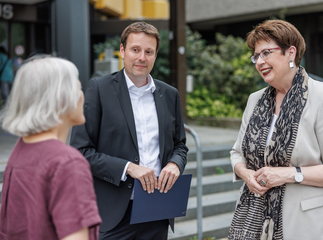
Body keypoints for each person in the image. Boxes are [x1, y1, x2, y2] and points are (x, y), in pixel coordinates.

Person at [228, 20, 323, 240]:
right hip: (255, 223)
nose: (260, 61)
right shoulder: (255, 100)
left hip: (308, 227)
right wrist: (246, 174)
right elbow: (237, 153)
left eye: (266, 53)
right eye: (256, 56)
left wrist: (288, 174)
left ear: (291, 53)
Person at [70, 21, 188, 239]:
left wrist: (174, 163)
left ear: (155, 55)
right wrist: (129, 168)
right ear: (123, 51)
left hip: (157, 208)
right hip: (113, 214)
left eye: (149, 51)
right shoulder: (99, 89)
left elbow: (180, 145)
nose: (142, 57)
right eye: (135, 50)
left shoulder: (170, 94)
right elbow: (80, 151)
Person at [0, 55, 102, 240]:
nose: (82, 95)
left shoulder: (21, 148)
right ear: (62, 97)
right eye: (79, 88)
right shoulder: (67, 163)